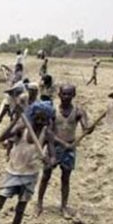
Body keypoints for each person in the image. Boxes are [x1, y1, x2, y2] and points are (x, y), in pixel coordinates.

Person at [0, 101, 56, 224]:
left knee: (20, 209)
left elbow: (53, 156)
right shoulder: (22, 128)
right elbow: (2, 138)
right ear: (32, 116)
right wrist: (16, 120)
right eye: (37, 118)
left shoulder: (47, 134)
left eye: (43, 119)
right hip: (13, 172)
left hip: (30, 175)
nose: (39, 122)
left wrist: (50, 162)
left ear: (48, 120)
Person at [36, 84, 88, 217]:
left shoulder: (77, 111)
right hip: (55, 147)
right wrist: (63, 143)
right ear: (59, 95)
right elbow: (50, 133)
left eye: (69, 94)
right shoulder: (53, 111)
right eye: (64, 94)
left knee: (66, 178)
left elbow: (85, 128)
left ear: (73, 95)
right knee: (46, 176)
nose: (66, 97)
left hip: (70, 148)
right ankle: (39, 203)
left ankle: (63, 206)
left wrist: (87, 126)